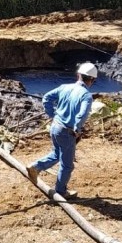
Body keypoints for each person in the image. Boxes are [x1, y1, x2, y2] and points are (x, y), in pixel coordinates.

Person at [25, 62, 97, 199]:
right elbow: (81, 115)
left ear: (78, 75)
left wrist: (52, 115)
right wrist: (77, 129)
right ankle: (60, 191)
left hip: (55, 127)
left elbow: (46, 98)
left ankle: (35, 167)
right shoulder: (86, 96)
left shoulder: (65, 87)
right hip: (66, 131)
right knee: (67, 165)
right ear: (92, 80)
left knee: (57, 153)